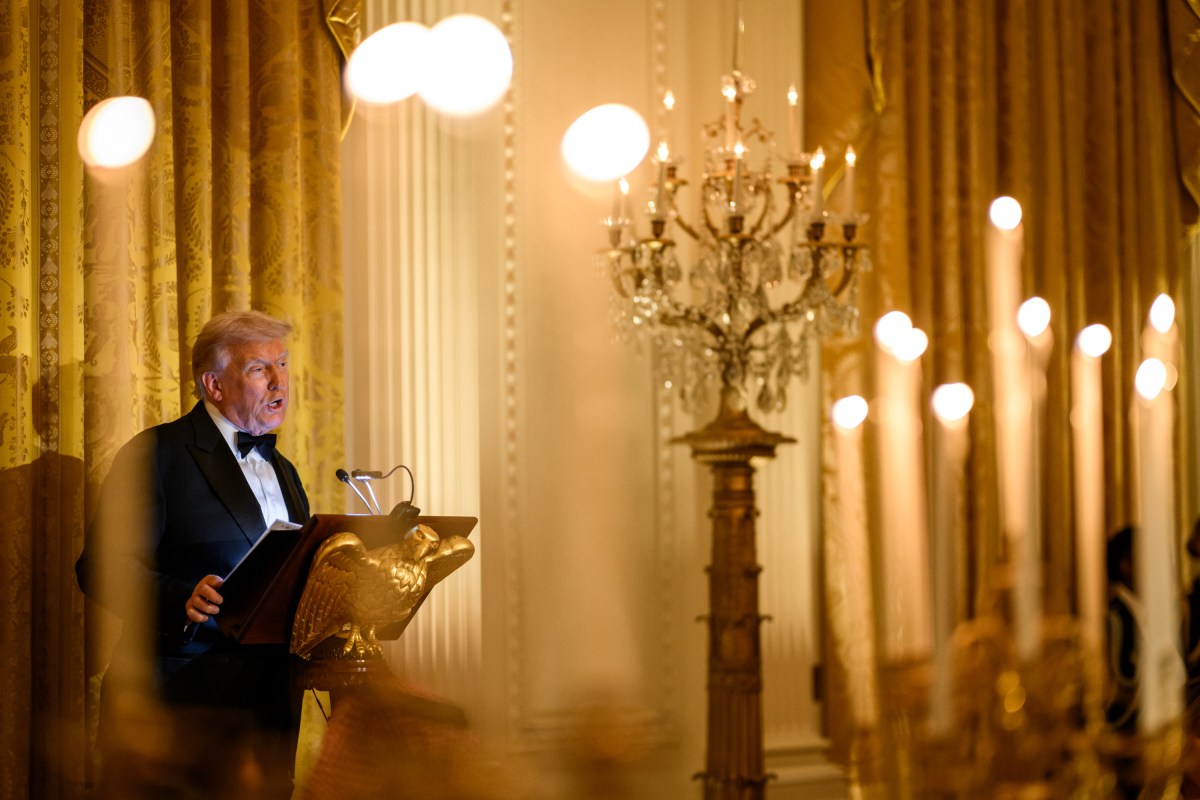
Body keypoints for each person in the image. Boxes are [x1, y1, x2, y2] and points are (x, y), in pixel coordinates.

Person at [76, 310, 309, 798]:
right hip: (174, 704)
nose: (277, 381)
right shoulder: (157, 454)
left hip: (267, 710)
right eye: (258, 368)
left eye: (282, 364)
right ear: (214, 384)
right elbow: (99, 566)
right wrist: (181, 598)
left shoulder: (284, 469)